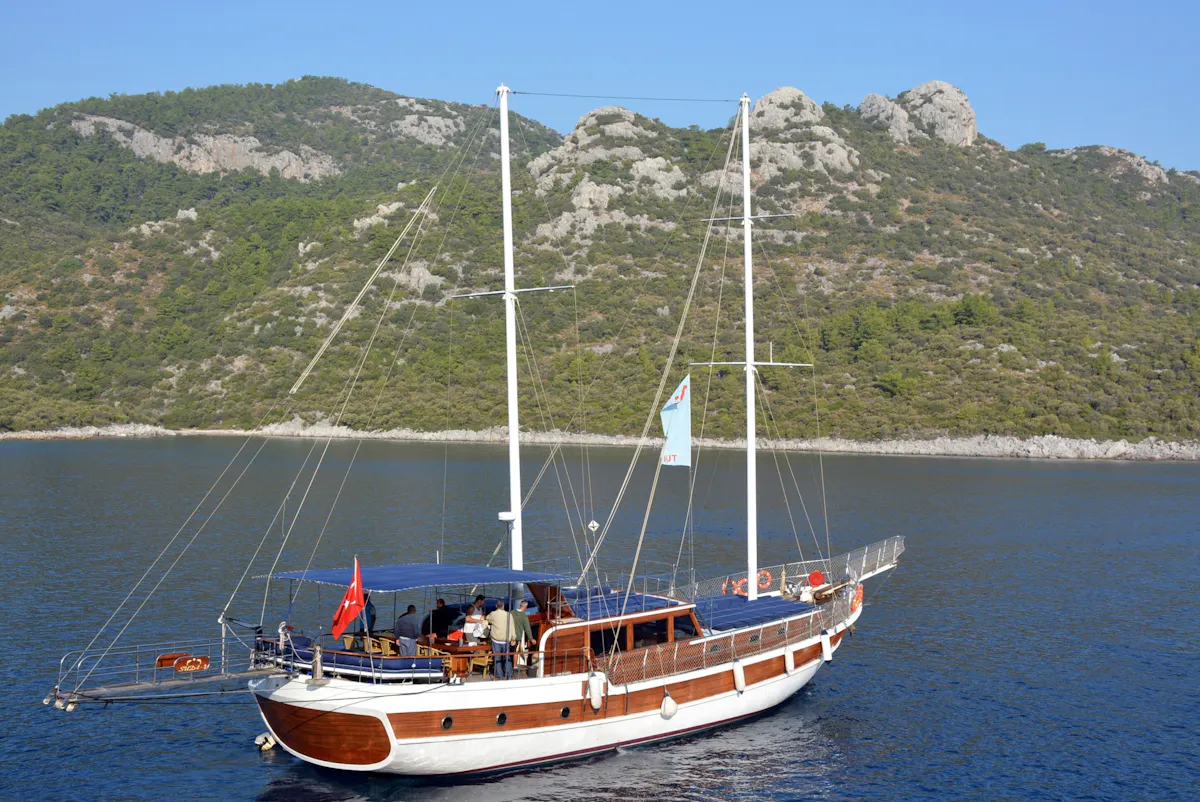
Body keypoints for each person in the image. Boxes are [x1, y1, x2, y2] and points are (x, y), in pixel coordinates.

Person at [485, 600, 517, 680]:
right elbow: (512, 627)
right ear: (503, 606)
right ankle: (509, 675)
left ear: (496, 606)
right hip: (506, 640)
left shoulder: (493, 614)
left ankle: (500, 676)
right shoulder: (509, 615)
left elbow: (487, 618)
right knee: (507, 658)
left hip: (496, 640)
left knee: (497, 658)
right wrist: (513, 638)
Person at [511, 599, 535, 676]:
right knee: (515, 652)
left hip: (509, 636)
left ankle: (508, 665)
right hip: (517, 636)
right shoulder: (524, 616)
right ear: (525, 607)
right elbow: (527, 629)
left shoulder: (512, 612)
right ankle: (514, 666)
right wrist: (531, 639)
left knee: (509, 651)